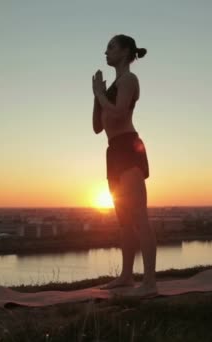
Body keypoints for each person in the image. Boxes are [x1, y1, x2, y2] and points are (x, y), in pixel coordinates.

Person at [91, 34, 157, 298]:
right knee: (124, 222)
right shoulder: (111, 86)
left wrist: (99, 94)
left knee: (139, 218)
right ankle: (126, 276)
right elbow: (97, 127)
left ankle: (150, 283)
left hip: (129, 149)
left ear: (126, 51)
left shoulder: (130, 80)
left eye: (111, 47)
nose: (105, 52)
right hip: (113, 151)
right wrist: (97, 97)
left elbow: (118, 113)